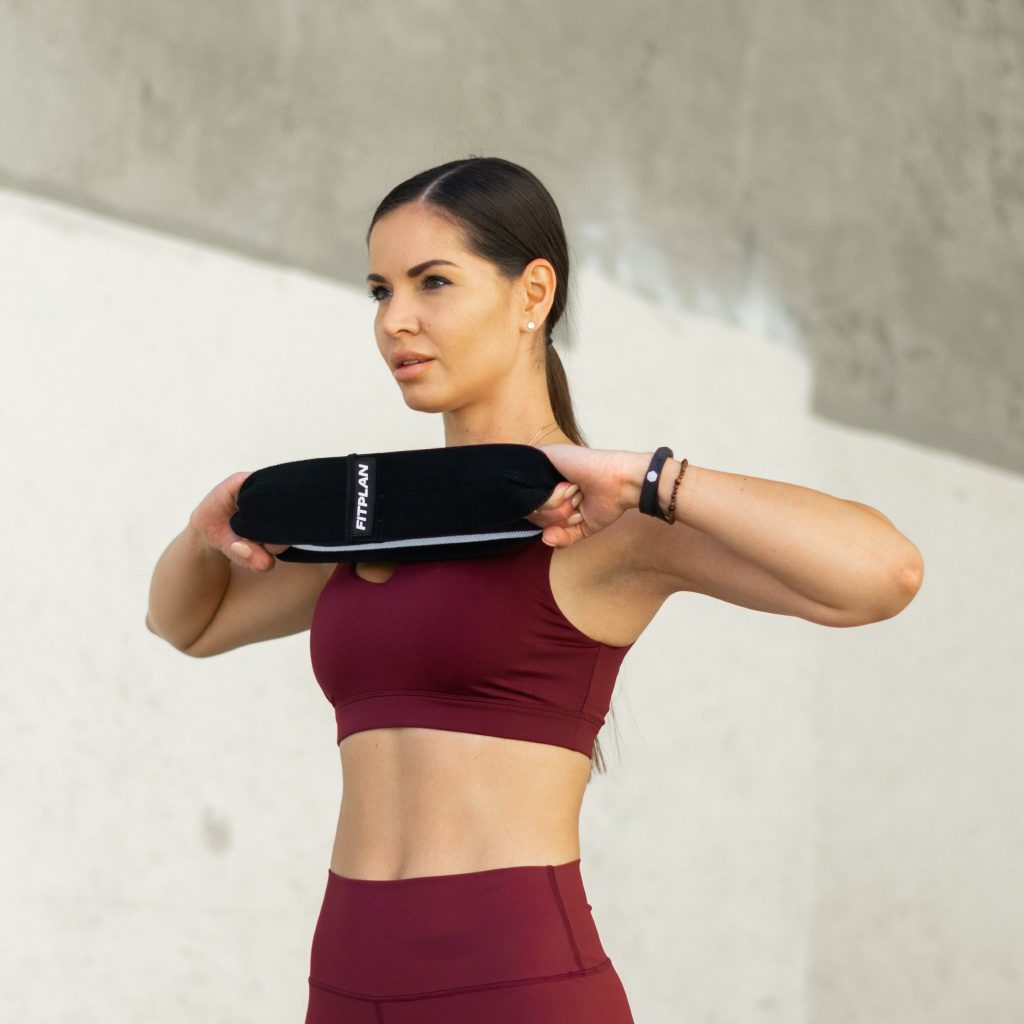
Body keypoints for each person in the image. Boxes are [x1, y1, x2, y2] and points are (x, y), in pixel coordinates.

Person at [145, 156, 924, 1023]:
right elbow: (191, 622)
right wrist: (202, 528)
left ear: (532, 293)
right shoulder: (379, 515)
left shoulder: (607, 526)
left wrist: (651, 480)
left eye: (432, 282)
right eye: (379, 291)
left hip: (513, 984)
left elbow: (882, 575)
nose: (396, 321)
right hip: (344, 985)